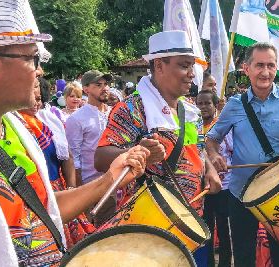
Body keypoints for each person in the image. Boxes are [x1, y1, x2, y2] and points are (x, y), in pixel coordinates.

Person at [0, 2, 149, 265]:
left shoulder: (17, 129)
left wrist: (110, 178)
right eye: (33, 58)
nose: (40, 71)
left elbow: (43, 211)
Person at [94, 30, 222, 263]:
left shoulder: (190, 111)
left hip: (191, 219)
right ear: (159, 65)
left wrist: (210, 170)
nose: (191, 75)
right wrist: (138, 153)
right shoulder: (132, 109)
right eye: (184, 66)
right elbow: (101, 157)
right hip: (151, 222)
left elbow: (198, 150)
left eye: (192, 66)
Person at [205, 42, 279, 267]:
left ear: (276, 67)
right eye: (259, 65)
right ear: (246, 68)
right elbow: (211, 138)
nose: (265, 71)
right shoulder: (233, 105)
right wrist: (213, 157)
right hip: (240, 192)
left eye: (270, 65)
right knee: (243, 257)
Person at [17, 82, 95, 249]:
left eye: (38, 93)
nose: (36, 100)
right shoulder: (11, 125)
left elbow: (66, 156)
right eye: (32, 95)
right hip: (34, 197)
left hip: (58, 190)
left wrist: (71, 188)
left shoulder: (47, 120)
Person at [65, 70, 115, 225]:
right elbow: (74, 155)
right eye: (98, 85)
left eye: (106, 84)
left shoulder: (113, 113)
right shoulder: (77, 118)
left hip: (117, 179)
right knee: (98, 228)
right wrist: (80, 190)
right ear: (86, 89)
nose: (105, 88)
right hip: (91, 184)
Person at [196, 90, 232, 267]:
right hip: (202, 189)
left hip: (224, 187)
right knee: (206, 230)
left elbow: (233, 151)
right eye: (200, 103)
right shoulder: (193, 127)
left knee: (225, 230)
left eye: (207, 103)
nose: (203, 107)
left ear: (215, 105)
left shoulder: (222, 127)